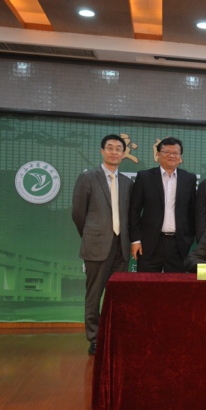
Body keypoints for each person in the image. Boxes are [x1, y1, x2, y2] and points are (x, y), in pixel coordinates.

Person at [72, 134, 133, 355]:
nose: (114, 152)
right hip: (96, 246)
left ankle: (114, 336)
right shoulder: (88, 178)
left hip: (121, 247)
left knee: (118, 296)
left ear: (124, 154)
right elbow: (78, 214)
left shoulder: (127, 182)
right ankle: (95, 338)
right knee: (94, 294)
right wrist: (92, 235)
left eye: (118, 149)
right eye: (110, 148)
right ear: (102, 151)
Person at [129, 137, 196, 273]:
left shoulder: (189, 179)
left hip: (178, 245)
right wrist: (136, 240)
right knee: (146, 284)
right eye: (167, 152)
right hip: (149, 244)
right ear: (158, 154)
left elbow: (192, 211)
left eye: (175, 153)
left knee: (176, 285)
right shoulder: (145, 177)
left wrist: (188, 238)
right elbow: (134, 211)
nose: (172, 155)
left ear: (180, 157)